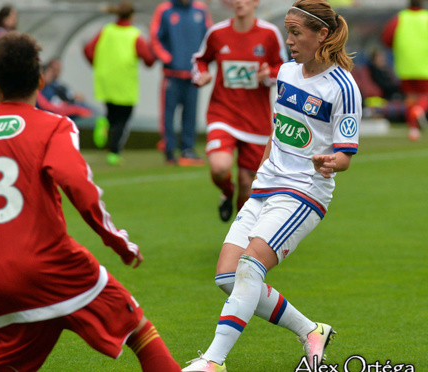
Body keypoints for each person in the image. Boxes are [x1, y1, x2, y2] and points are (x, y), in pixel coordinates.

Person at [0, 31, 182, 372]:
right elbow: (77, 185)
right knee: (138, 332)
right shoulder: (54, 126)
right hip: (58, 268)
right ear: (40, 80)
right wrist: (116, 240)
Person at [182, 0, 361, 370]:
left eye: (296, 32)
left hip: (304, 193)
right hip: (267, 185)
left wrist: (331, 162)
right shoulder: (287, 73)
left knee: (250, 267)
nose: (289, 39)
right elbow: (277, 130)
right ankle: (312, 330)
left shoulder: (343, 86)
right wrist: (264, 168)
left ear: (321, 35)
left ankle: (213, 361)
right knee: (227, 277)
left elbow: (344, 155)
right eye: (287, 30)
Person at [192, 0, 287, 222]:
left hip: (256, 120)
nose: (239, 2)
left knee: (247, 182)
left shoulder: (270, 33)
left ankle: (240, 232)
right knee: (219, 167)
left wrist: (269, 74)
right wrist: (201, 76)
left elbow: (284, 69)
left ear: (256, 2)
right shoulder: (216, 32)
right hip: (222, 114)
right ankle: (226, 191)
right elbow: (201, 60)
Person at [84, 1, 156, 165]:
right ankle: (114, 152)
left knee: (112, 112)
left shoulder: (106, 31)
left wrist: (97, 65)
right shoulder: (134, 34)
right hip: (125, 82)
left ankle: (105, 121)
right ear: (132, 15)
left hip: (106, 80)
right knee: (124, 119)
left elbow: (88, 50)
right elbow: (148, 59)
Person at [150, 0, 213, 166]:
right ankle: (169, 150)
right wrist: (168, 59)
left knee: (190, 115)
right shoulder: (164, 10)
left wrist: (204, 63)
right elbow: (155, 37)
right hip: (171, 75)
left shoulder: (201, 10)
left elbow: (210, 38)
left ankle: (187, 150)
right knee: (168, 115)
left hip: (193, 76)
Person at [381, 0, 428, 141]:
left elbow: (386, 38)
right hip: (425, 64)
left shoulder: (399, 18)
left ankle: (413, 130)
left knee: (410, 98)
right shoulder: (426, 18)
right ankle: (419, 110)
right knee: (424, 95)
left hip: (405, 65)